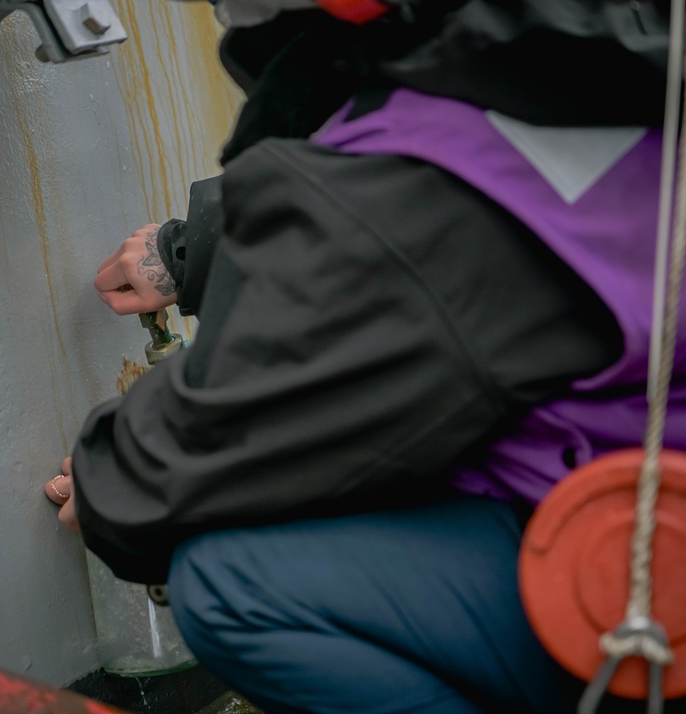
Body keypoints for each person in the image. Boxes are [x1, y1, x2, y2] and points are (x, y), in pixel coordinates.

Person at [44, 1, 686, 712]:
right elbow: (470, 233)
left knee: (237, 583)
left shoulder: (427, 166)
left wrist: (108, 480)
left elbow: (183, 465)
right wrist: (192, 248)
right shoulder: (617, 54)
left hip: (648, 579)